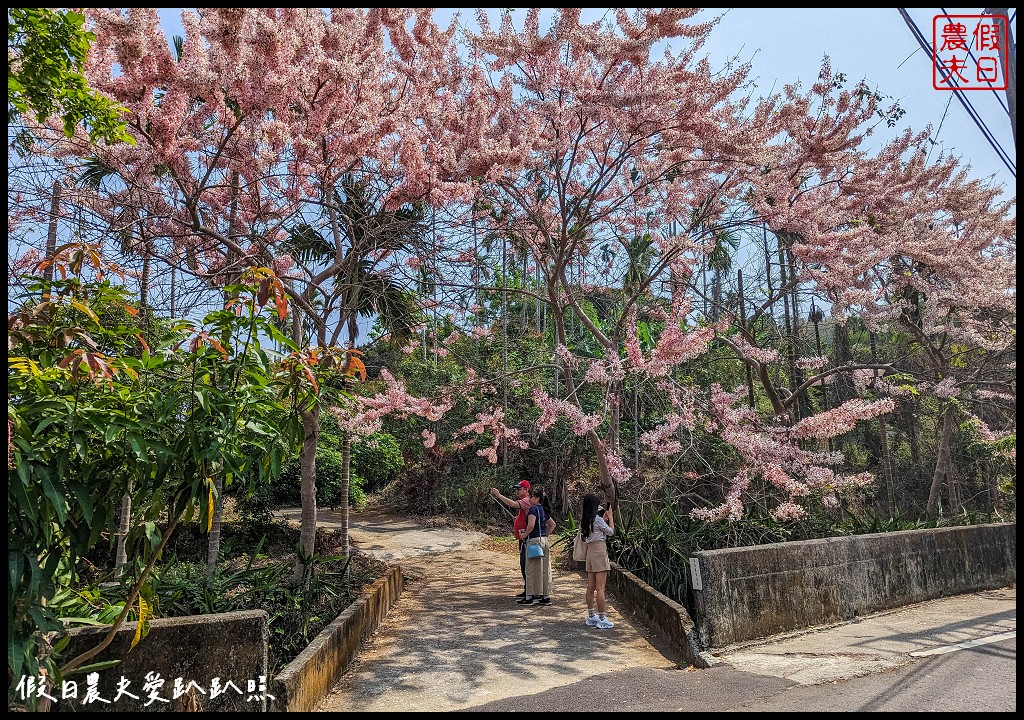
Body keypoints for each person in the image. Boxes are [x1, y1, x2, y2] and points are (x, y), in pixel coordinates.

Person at [489, 480, 532, 598]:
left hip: (527, 538)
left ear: (526, 490)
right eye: (516, 489)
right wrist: (517, 518)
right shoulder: (525, 501)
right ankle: (528, 589)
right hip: (522, 538)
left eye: (519, 489)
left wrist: (499, 496)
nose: (517, 491)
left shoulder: (527, 500)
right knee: (524, 564)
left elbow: (513, 504)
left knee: (526, 564)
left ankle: (530, 591)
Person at [580, 492, 615, 629]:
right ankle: (602, 617)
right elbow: (611, 532)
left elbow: (594, 531)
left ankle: (591, 615)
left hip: (590, 551)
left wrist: (604, 520)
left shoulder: (585, 519)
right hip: (599, 551)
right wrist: (610, 519)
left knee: (591, 586)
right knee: (600, 587)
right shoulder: (597, 519)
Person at [517, 486, 556, 606]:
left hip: (533, 542)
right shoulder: (543, 509)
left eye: (532, 497)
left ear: (537, 498)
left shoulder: (533, 509)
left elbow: (531, 525)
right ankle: (545, 596)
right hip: (544, 541)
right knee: (545, 569)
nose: (529, 499)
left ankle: (529, 597)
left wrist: (524, 535)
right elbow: (552, 524)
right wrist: (545, 535)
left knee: (531, 569)